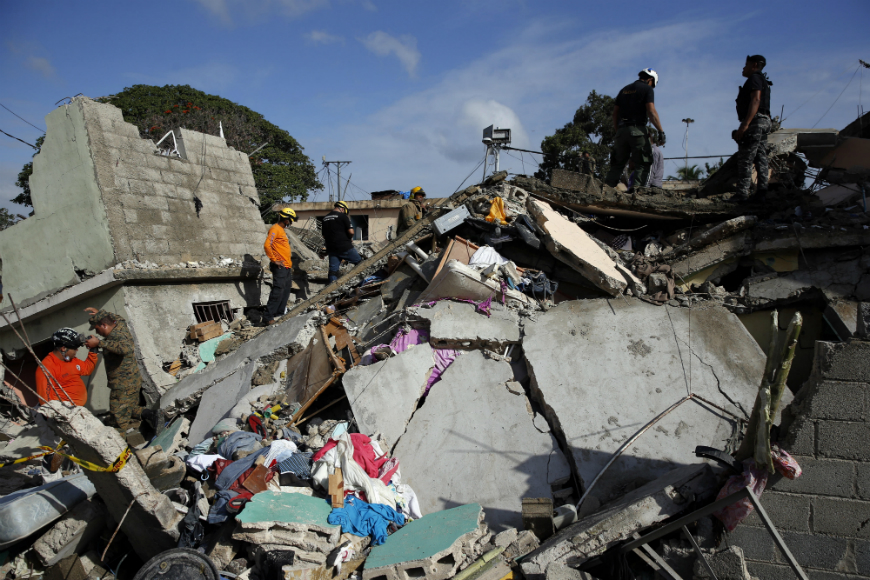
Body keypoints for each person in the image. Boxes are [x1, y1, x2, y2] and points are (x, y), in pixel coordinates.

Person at [84, 308, 161, 435]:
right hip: (131, 381)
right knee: (127, 409)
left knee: (117, 420)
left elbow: (124, 349)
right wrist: (101, 313)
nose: (97, 332)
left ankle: (120, 450)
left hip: (123, 385)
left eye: (97, 329)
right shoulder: (119, 325)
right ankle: (153, 415)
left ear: (104, 325)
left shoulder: (116, 336)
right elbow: (119, 318)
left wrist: (100, 343)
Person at [604, 68, 666, 190]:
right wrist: (660, 131)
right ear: (650, 80)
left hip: (621, 131)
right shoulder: (647, 89)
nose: (652, 87)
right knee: (643, 163)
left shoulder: (624, 90)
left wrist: (619, 132)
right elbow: (651, 111)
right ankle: (636, 194)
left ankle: (606, 190)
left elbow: (614, 114)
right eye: (652, 85)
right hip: (638, 130)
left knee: (617, 164)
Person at [734, 55, 773, 200]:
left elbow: (755, 100)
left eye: (746, 65)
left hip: (755, 122)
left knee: (746, 158)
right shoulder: (762, 80)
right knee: (760, 156)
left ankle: (742, 194)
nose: (743, 68)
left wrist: (744, 125)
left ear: (754, 65)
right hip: (764, 121)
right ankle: (762, 191)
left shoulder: (754, 79)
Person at [35, 328, 98, 407]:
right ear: (63, 348)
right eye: (74, 348)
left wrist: (93, 349)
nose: (77, 351)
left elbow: (87, 369)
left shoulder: (71, 360)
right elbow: (45, 400)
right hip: (63, 413)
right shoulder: (47, 367)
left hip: (77, 410)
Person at [263, 207, 297, 324]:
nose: (291, 223)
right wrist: (274, 260)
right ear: (286, 220)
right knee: (277, 291)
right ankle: (268, 317)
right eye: (291, 220)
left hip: (286, 267)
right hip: (280, 267)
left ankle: (279, 314)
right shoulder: (275, 229)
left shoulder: (282, 230)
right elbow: (267, 245)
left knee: (285, 291)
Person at [321, 201, 363, 283]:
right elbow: (351, 232)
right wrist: (349, 238)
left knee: (333, 271)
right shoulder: (343, 217)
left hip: (331, 248)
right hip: (344, 246)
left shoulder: (325, 218)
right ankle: (362, 284)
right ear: (342, 209)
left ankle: (333, 292)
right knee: (360, 263)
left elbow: (324, 236)